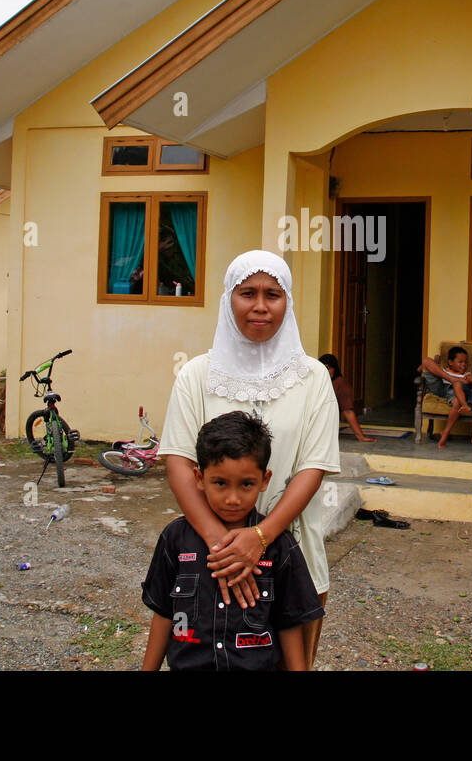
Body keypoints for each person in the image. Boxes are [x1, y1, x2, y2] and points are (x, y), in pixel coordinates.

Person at [159, 250, 340, 668]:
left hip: (294, 557)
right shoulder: (196, 376)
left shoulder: (313, 378)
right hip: (210, 559)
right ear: (229, 299)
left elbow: (312, 467)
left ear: (287, 302)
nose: (260, 306)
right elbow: (178, 463)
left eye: (272, 294)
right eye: (247, 293)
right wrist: (224, 547)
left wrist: (259, 538)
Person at [140, 410, 324, 671]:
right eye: (220, 483)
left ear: (264, 480)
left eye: (246, 484)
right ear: (199, 478)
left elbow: (290, 625)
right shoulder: (175, 539)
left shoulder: (278, 546)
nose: (233, 499)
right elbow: (163, 613)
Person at [418, 346, 472, 448]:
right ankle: (451, 379)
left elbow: (469, 381)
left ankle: (446, 432)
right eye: (460, 362)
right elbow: (422, 367)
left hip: (453, 391)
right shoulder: (443, 370)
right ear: (451, 362)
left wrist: (463, 380)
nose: (464, 365)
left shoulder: (466, 374)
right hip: (441, 385)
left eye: (465, 362)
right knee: (426, 360)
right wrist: (435, 365)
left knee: (457, 402)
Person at [318, 353, 376, 442]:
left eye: (328, 368)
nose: (325, 372)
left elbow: (348, 411)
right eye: (322, 368)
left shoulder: (339, 383)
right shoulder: (316, 381)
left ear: (335, 369)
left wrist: (361, 436)